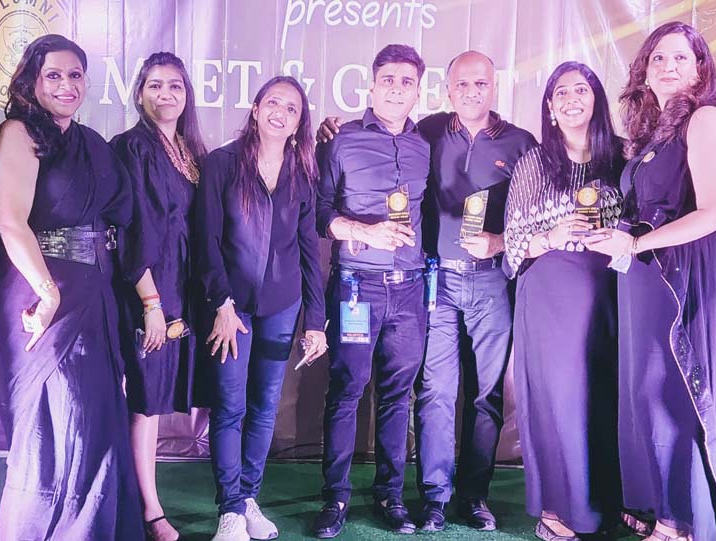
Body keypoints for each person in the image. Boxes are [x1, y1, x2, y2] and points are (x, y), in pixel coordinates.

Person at [317, 50, 537, 533]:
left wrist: (501, 241)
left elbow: (536, 215)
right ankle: (431, 497)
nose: (472, 92)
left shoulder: (521, 143)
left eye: (481, 84)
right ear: (445, 89)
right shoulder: (429, 132)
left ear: (494, 86)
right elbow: (322, 206)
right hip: (423, 282)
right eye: (462, 84)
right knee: (433, 390)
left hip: (487, 281)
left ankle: (471, 497)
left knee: (483, 394)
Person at [584, 21, 716, 541]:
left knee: (675, 398)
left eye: (681, 58)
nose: (668, 67)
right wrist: (618, 230)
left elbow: (713, 212)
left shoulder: (704, 119)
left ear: (701, 68)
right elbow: (655, 210)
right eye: (658, 58)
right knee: (646, 398)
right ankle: (662, 509)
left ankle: (686, 521)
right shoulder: (654, 132)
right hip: (645, 281)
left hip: (682, 284)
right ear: (644, 70)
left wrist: (635, 243)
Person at [0, 34, 143, 540]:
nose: (66, 84)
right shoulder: (18, 132)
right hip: (42, 293)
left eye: (75, 74)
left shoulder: (92, 143)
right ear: (32, 80)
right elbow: (11, 222)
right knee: (59, 420)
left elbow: (124, 215)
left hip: (95, 294)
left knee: (96, 419)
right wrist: (48, 291)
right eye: (54, 74)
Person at [195, 75, 327, 541]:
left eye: (291, 109)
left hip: (282, 306)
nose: (280, 112)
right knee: (229, 406)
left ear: (299, 123)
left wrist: (316, 321)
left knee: (265, 406)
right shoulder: (222, 164)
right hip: (231, 308)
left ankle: (248, 498)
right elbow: (207, 240)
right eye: (273, 102)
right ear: (255, 109)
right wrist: (221, 302)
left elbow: (309, 252)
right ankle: (229, 510)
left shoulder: (303, 173)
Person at [312, 44, 429, 538]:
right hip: (357, 287)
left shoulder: (427, 144)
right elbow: (318, 214)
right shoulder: (340, 141)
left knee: (397, 396)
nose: (397, 88)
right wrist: (364, 231)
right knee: (347, 392)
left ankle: (389, 496)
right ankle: (335, 498)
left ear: (418, 89)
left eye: (407, 81)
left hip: (410, 291)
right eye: (388, 79)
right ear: (372, 84)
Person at [504, 61, 624, 541]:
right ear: (550, 108)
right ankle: (557, 508)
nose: (572, 98)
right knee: (560, 398)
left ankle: (609, 503)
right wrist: (550, 235)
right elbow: (513, 240)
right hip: (552, 293)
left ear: (596, 98)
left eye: (581, 89)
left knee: (607, 394)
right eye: (561, 92)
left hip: (612, 290)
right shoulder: (534, 163)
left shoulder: (621, 157)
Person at [110, 51, 206, 541]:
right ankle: (148, 509)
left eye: (175, 85)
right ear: (139, 92)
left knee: (154, 397)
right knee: (144, 401)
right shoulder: (133, 148)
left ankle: (139, 499)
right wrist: (150, 303)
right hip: (147, 288)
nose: (165, 94)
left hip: (181, 287)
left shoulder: (190, 150)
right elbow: (132, 229)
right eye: (154, 85)